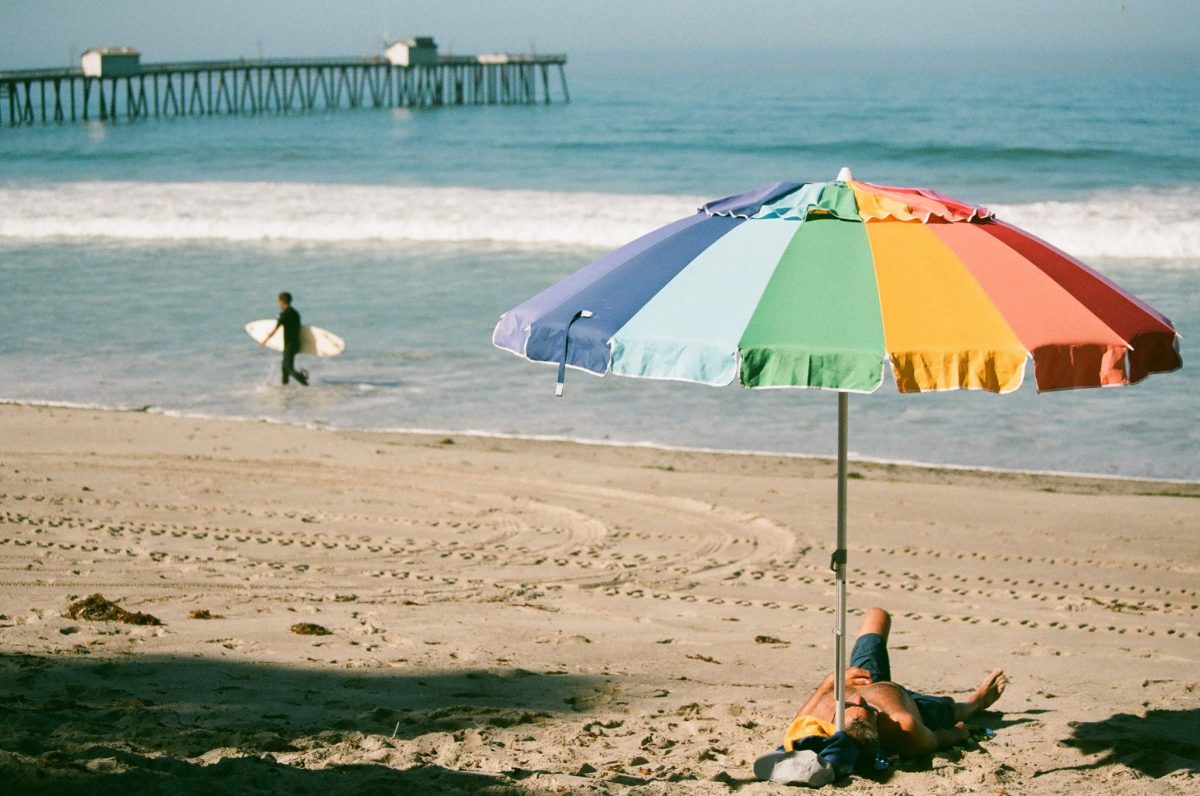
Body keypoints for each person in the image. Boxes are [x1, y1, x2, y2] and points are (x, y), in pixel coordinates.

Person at [757, 607, 1007, 784]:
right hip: (913, 704)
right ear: (878, 718)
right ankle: (977, 702)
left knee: (877, 615)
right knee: (955, 710)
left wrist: (828, 684)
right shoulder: (904, 726)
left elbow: (795, 724)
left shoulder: (823, 717)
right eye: (865, 707)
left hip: (865, 675)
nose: (858, 699)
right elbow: (937, 740)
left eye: (849, 704)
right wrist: (957, 732)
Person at [261, 291, 308, 386]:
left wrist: (265, 341)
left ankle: (304, 382)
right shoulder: (295, 313)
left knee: (288, 368)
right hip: (296, 343)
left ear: (282, 301)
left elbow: (275, 329)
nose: (278, 304)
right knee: (284, 368)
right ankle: (285, 389)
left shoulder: (285, 314)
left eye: (279, 301)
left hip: (289, 345)